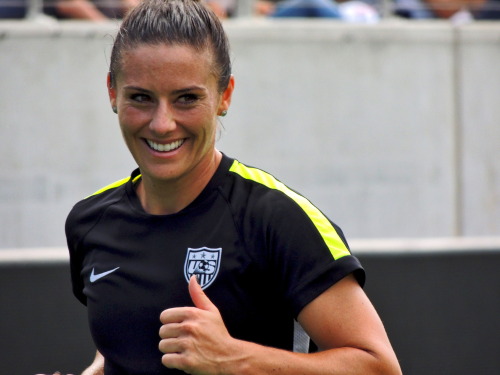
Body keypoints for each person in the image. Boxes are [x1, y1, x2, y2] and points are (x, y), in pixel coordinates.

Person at [64, 0, 402, 374]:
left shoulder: (277, 217)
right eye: (140, 98)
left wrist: (233, 358)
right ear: (113, 92)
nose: (162, 124)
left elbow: (380, 367)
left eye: (187, 99)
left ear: (224, 95)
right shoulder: (89, 221)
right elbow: (118, 351)